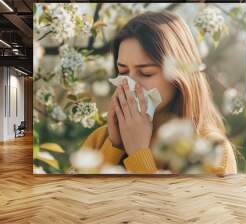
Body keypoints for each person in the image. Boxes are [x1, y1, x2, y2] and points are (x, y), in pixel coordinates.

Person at [81, 11, 237, 175]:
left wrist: (138, 153)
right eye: (123, 71)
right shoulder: (100, 139)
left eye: (146, 73)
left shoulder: (211, 149)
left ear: (179, 76)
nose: (130, 85)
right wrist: (115, 147)